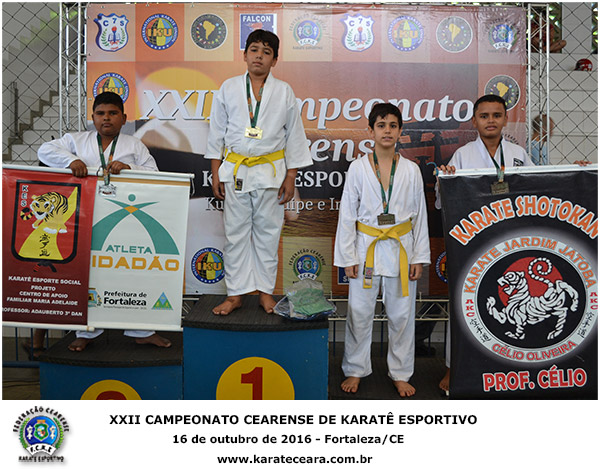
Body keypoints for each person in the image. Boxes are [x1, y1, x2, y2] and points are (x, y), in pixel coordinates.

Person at [38, 91, 171, 352]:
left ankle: (142, 331)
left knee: (130, 270)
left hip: (127, 218)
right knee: (89, 273)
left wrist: (130, 169)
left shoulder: (134, 145)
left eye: (112, 113)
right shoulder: (77, 141)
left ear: (124, 118)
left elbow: (154, 174)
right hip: (85, 216)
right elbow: (45, 150)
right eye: (100, 113)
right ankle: (85, 332)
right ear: (93, 117)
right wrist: (72, 160)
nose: (106, 118)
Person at [205, 29, 312, 315]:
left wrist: (291, 177)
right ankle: (235, 294)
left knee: (268, 234)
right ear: (245, 55)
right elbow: (217, 133)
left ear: (274, 60)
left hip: (271, 172)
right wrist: (216, 172)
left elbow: (294, 136)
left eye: (266, 52)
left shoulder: (284, 91)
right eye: (254, 50)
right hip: (236, 170)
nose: (259, 56)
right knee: (235, 235)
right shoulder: (228, 88)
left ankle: (265, 292)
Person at [434, 94, 535, 392]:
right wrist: (445, 179)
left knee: (513, 306)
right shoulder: (463, 155)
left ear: (506, 119)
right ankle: (453, 368)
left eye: (496, 115)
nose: (491, 120)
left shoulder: (518, 154)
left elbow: (539, 187)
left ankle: (505, 368)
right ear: (475, 121)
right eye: (484, 116)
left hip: (510, 241)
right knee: (464, 305)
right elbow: (442, 202)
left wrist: (580, 172)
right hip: (472, 244)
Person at [334, 103, 430, 397]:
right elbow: (347, 214)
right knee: (359, 312)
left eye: (392, 125)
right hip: (367, 248)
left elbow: (420, 216)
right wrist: (348, 256)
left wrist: (419, 257)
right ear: (370, 131)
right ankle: (355, 369)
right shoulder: (358, 167)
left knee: (402, 316)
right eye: (381, 125)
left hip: (401, 248)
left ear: (400, 131)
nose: (387, 131)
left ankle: (400, 373)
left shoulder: (411, 170)